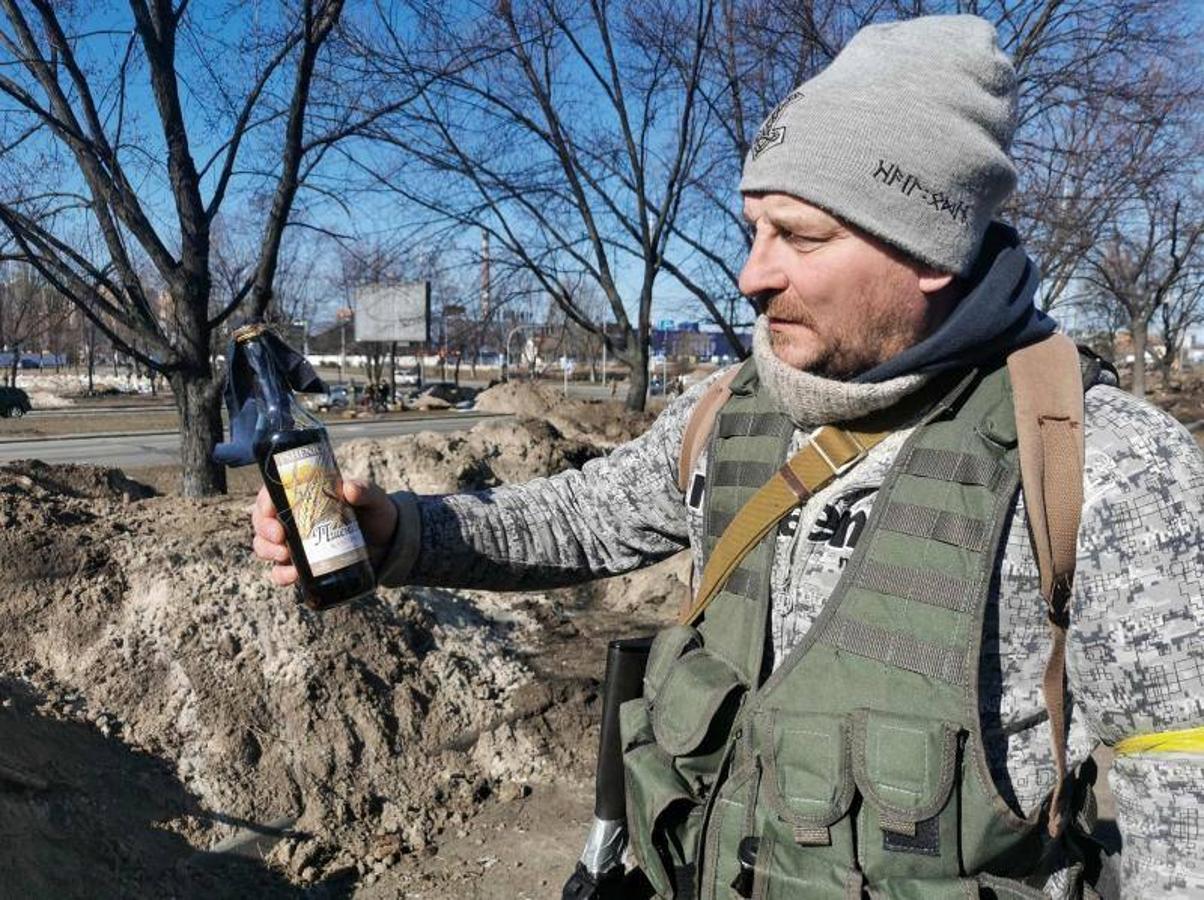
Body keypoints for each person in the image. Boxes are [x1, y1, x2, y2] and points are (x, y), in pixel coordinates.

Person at [250, 15, 1203, 899]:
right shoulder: (736, 407)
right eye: (754, 229)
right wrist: (398, 532)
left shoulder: (1097, 460)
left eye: (800, 235)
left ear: (931, 251)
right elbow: (585, 517)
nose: (753, 273)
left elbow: (1183, 803)